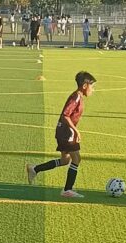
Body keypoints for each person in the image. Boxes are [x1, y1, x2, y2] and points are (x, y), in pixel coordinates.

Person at [26, 71, 97, 199]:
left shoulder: (78, 96)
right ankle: (67, 190)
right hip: (66, 132)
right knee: (76, 159)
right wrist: (76, 130)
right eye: (92, 86)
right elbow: (65, 115)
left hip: (63, 131)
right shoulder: (76, 97)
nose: (93, 90)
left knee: (65, 160)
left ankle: (34, 169)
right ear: (85, 85)